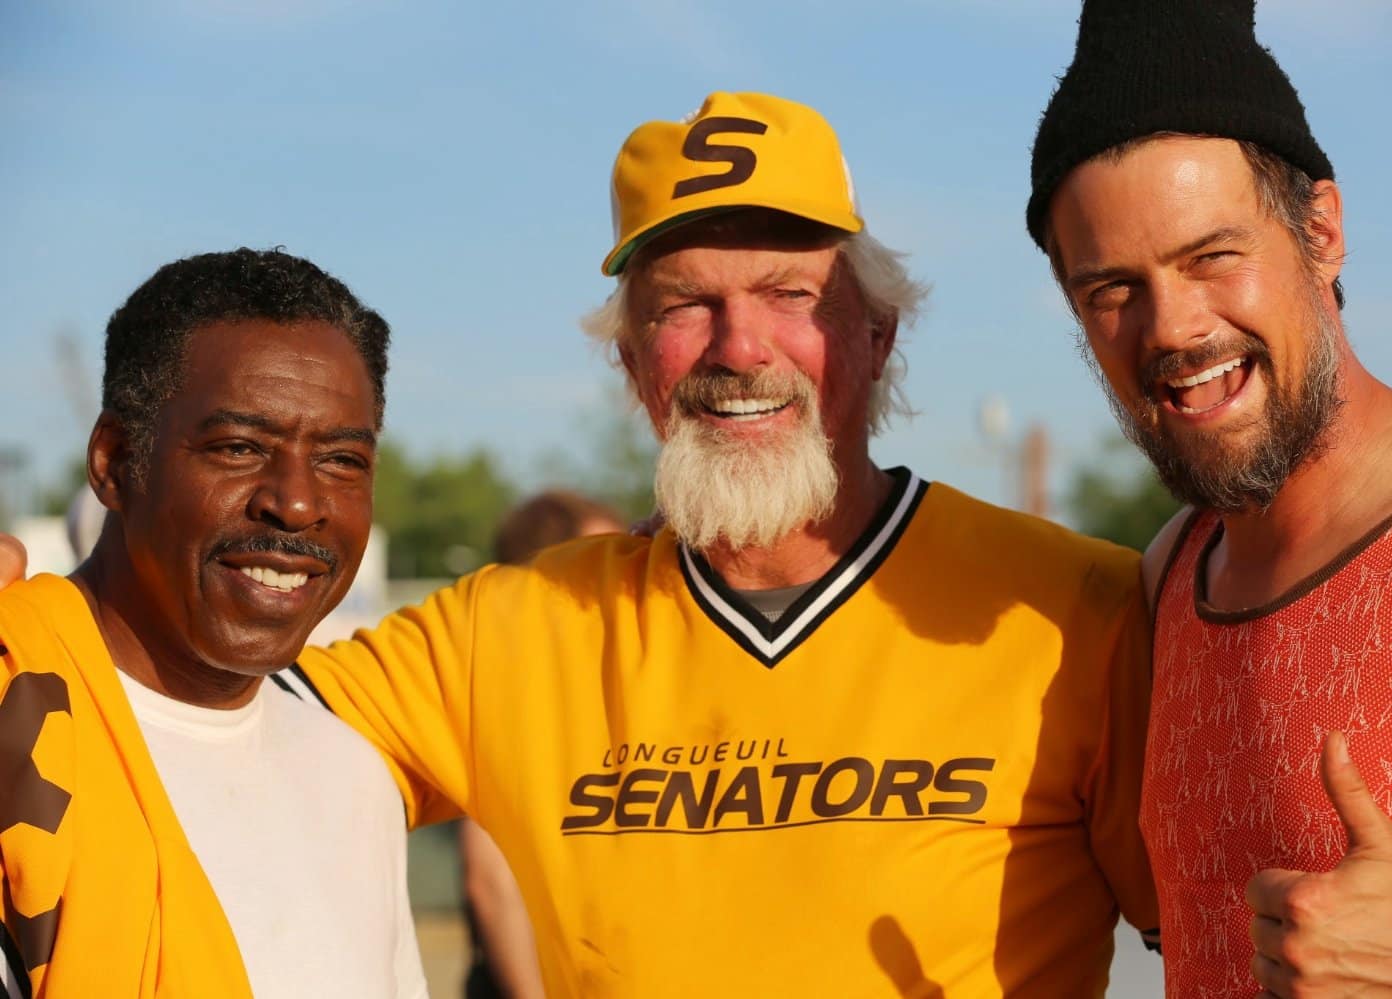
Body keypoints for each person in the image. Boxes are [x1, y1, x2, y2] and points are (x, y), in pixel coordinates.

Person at [276, 91, 1159, 996]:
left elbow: (1230, 938)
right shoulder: (508, 633)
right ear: (633, 364)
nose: (739, 348)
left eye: (790, 295)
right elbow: (188, 729)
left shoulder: (1076, 610)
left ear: (877, 334)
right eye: (685, 305)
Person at [1027, 1, 1392, 995]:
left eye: (1213, 256)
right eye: (1111, 287)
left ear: (1321, 231)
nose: (1173, 326)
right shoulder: (1171, 577)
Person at [0, 249, 425, 999]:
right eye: (238, 448)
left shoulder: (353, 779)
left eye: (341, 459)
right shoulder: (17, 719)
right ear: (116, 459)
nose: (296, 503)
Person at [461, 490, 624, 999]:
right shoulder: (514, 692)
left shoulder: (613, 683)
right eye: (599, 560)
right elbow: (492, 882)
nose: (627, 576)